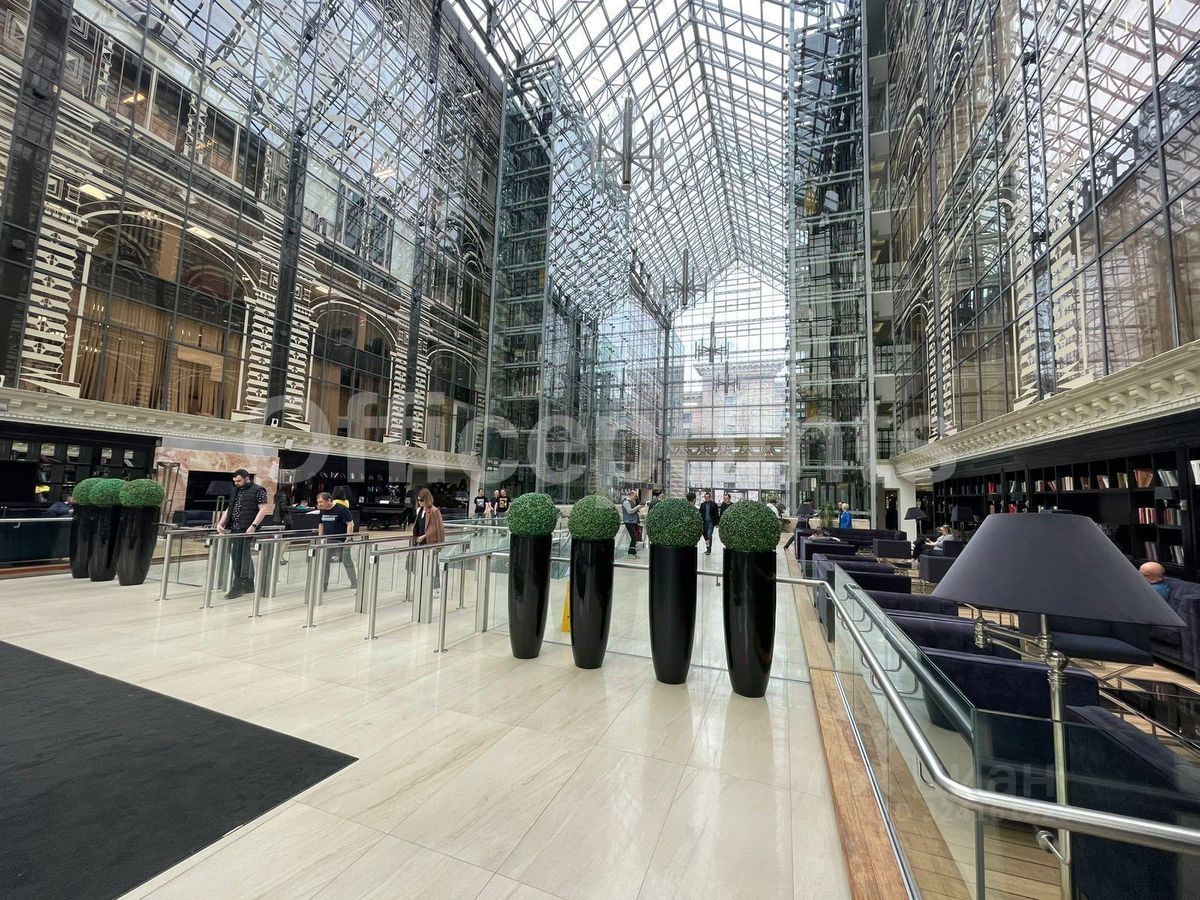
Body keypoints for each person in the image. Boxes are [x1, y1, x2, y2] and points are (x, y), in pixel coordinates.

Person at [216, 469, 269, 600]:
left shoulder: (258, 490)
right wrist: (220, 523)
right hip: (235, 528)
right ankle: (248, 582)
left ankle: (238, 584)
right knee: (241, 555)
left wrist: (253, 526)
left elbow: (263, 509)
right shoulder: (236, 490)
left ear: (246, 478)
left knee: (238, 555)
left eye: (238, 481)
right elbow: (230, 508)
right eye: (234, 481)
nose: (236, 483)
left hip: (245, 528)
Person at [316, 492, 356, 590]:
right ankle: (324, 584)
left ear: (329, 500)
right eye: (318, 502)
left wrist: (348, 538)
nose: (319, 504)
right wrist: (320, 538)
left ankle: (354, 581)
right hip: (328, 541)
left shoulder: (342, 509)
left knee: (347, 561)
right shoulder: (322, 510)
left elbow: (350, 523)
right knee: (325, 563)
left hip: (341, 541)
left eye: (321, 502)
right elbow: (321, 524)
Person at [413, 487, 446, 595]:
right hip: (420, 543)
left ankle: (436, 588)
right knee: (422, 565)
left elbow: (438, 528)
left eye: (421, 500)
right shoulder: (420, 511)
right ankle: (424, 585)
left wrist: (439, 544)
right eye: (418, 500)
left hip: (430, 542)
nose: (419, 502)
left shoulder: (434, 511)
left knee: (433, 566)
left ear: (426, 499)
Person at [621, 490, 642, 556]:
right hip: (629, 522)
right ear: (631, 495)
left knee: (635, 537)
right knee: (634, 537)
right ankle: (630, 552)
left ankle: (633, 552)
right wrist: (637, 507)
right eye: (635, 496)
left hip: (633, 521)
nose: (635, 498)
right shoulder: (626, 502)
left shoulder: (631, 502)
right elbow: (630, 511)